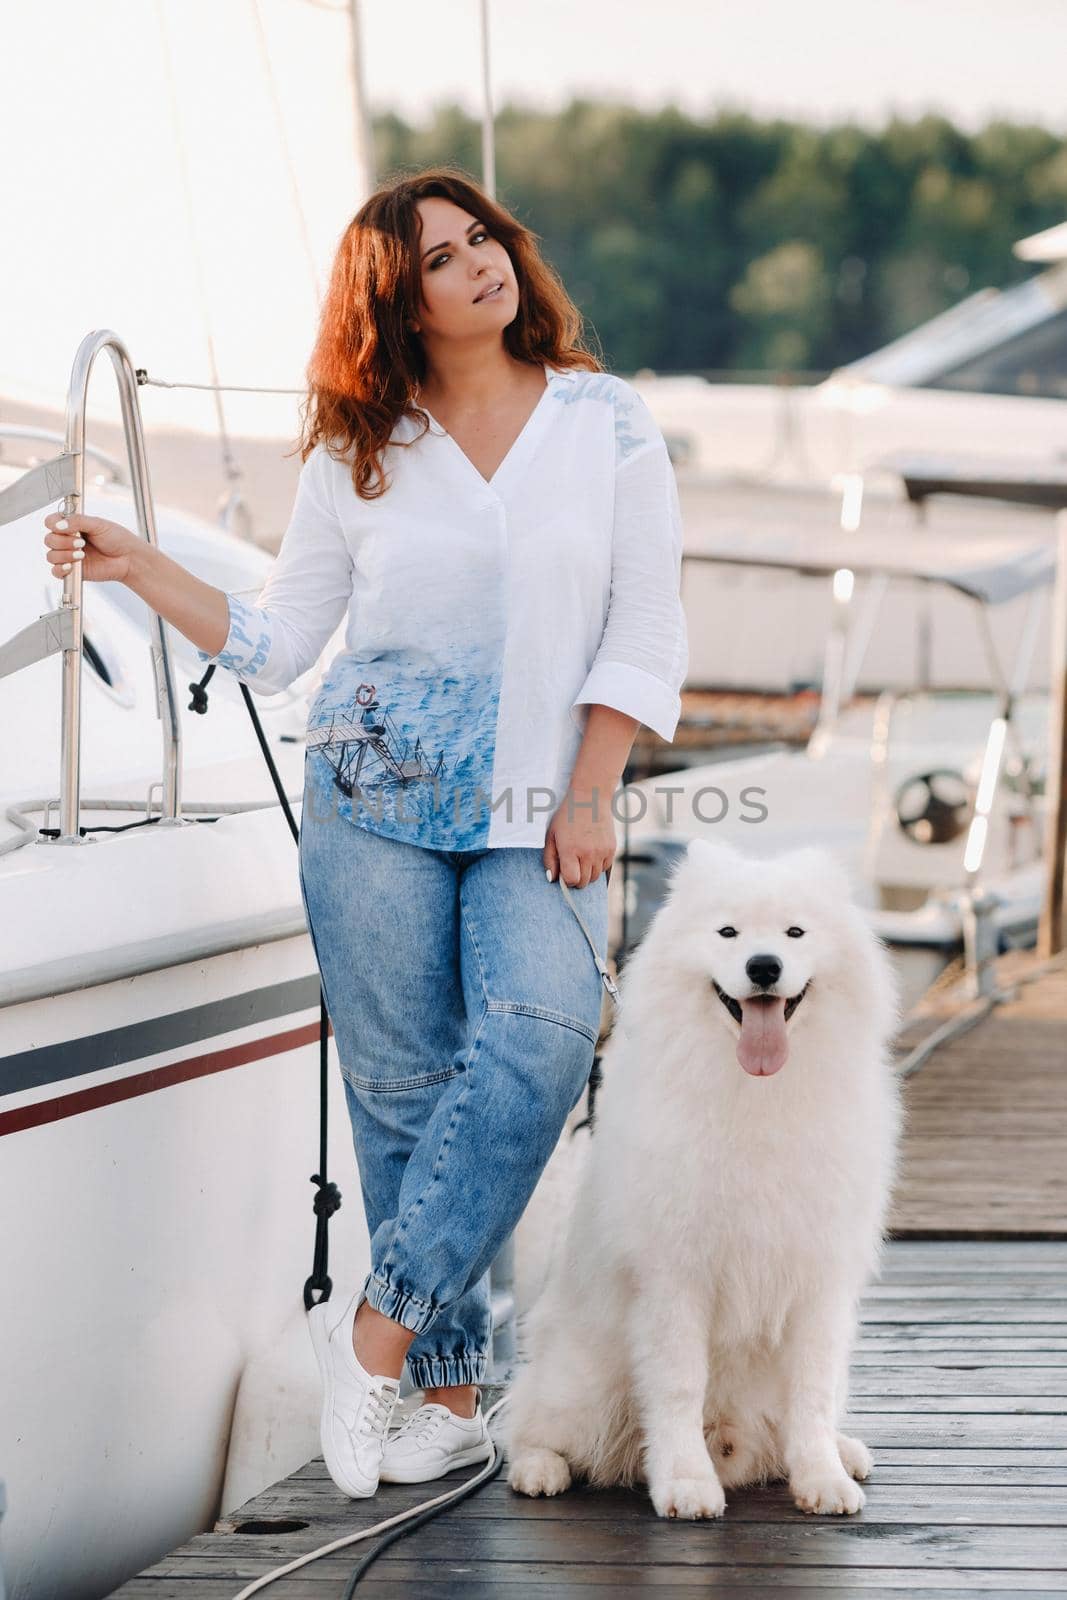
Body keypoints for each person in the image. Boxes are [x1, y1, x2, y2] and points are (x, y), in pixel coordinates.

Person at [42, 165, 688, 1497]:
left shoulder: (604, 419)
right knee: (399, 1103)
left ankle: (374, 1332)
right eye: (443, 260)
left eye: (482, 239)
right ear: (401, 304)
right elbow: (280, 641)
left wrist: (591, 789)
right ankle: (448, 1397)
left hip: (536, 812)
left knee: (541, 1040)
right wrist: (140, 562)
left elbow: (646, 619)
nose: (480, 265)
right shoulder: (361, 448)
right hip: (370, 805)